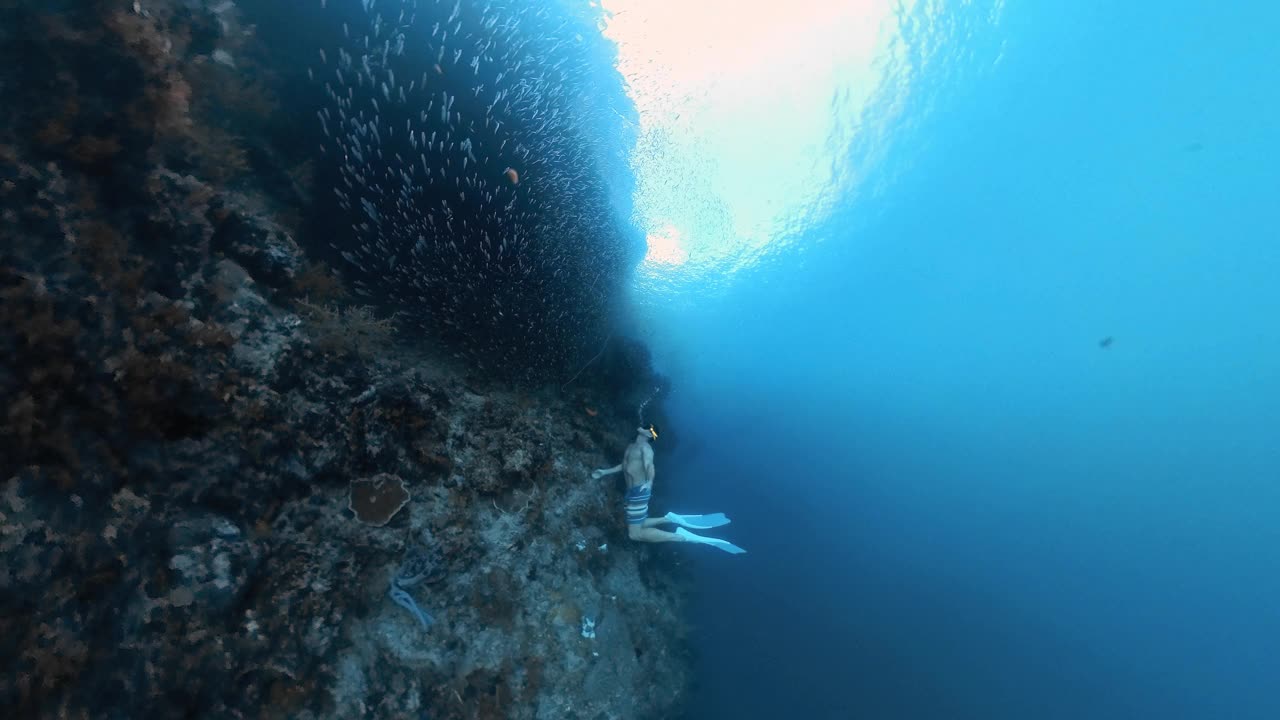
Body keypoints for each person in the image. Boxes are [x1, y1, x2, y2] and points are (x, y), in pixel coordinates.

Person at [591, 424, 745, 554]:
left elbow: (649, 466)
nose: (643, 426)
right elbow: (626, 466)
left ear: (650, 434)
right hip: (632, 493)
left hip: (639, 492)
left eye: (648, 427)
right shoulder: (632, 446)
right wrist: (605, 472)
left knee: (635, 534)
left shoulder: (646, 449)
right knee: (641, 523)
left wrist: (649, 482)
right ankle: (669, 519)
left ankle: (681, 537)